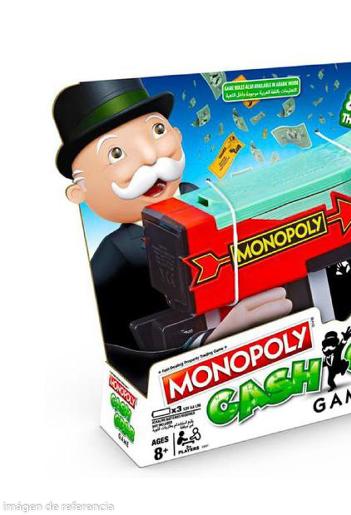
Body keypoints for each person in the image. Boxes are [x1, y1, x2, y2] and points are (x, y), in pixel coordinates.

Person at [53, 79, 292, 389]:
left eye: (157, 131)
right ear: (79, 192)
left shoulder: (212, 199)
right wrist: (206, 344)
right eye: (116, 154)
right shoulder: (114, 260)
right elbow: (111, 354)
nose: (150, 157)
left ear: (177, 135)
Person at [321, 327, 351, 391]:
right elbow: (324, 363)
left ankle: (345, 365)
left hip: (339, 367)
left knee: (344, 363)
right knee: (329, 382)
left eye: (330, 346)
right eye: (325, 348)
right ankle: (333, 387)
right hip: (332, 371)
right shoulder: (326, 357)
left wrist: (345, 339)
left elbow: (341, 346)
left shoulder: (336, 352)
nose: (327, 349)